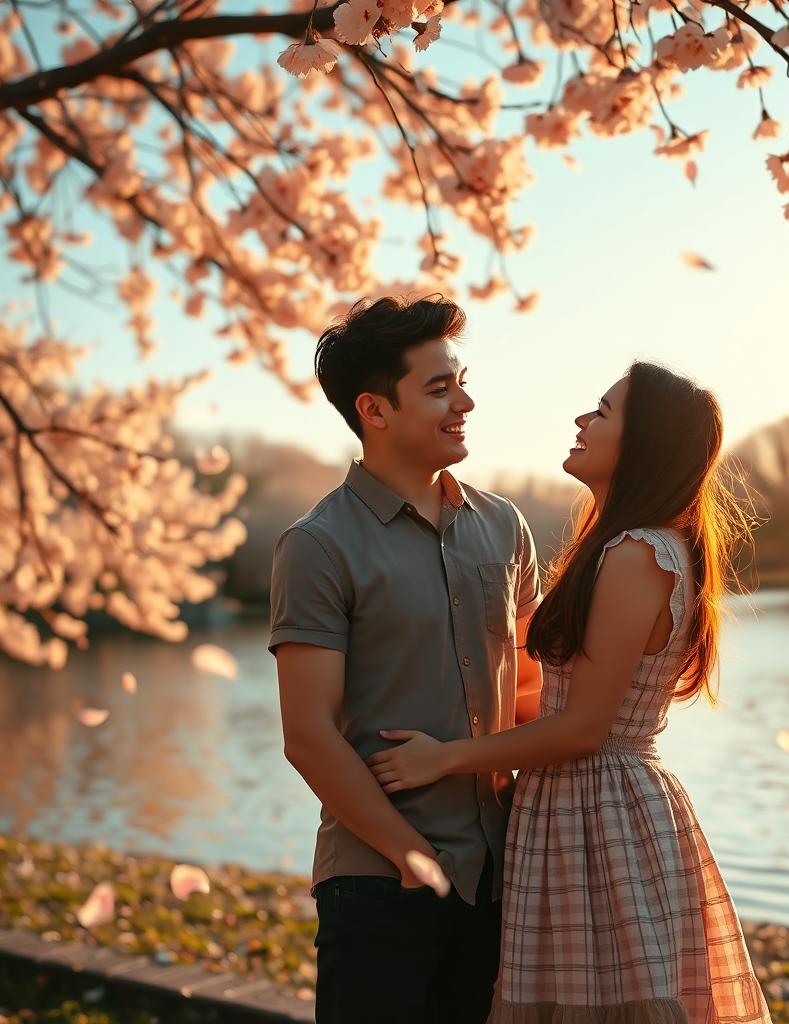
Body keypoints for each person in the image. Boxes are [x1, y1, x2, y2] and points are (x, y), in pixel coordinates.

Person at [367, 362, 773, 1024]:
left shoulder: (636, 554)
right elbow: (563, 707)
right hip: (592, 805)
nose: (582, 422)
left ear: (643, 445)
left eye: (603, 413)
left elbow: (584, 730)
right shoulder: (641, 547)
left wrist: (440, 757)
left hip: (598, 809)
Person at [268, 294, 542, 1024]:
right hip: (378, 884)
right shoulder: (318, 546)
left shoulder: (505, 527)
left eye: (462, 381)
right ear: (375, 410)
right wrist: (413, 860)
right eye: (440, 388)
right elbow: (309, 736)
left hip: (499, 877)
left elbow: (532, 696)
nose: (466, 402)